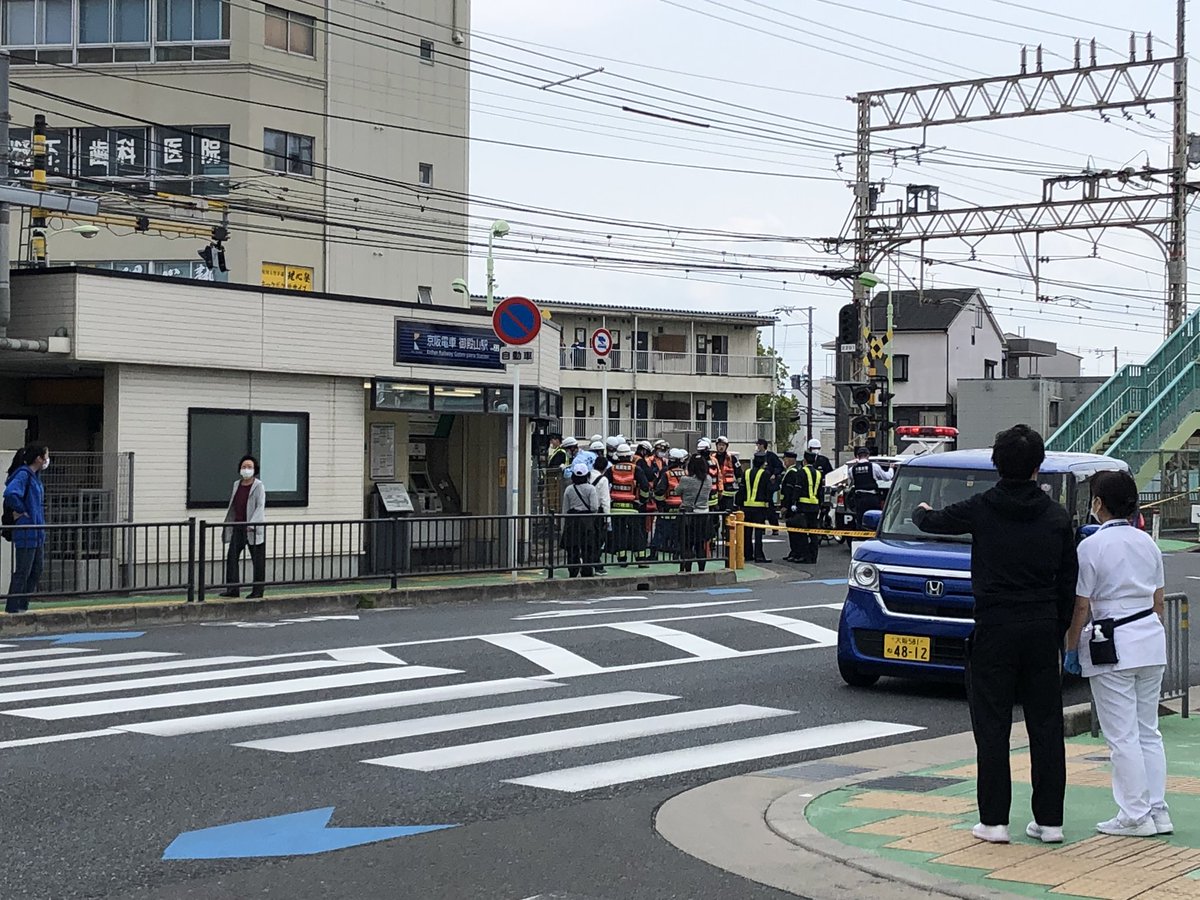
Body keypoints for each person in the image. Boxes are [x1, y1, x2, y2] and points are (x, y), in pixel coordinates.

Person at [913, 424, 1076, 846]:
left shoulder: (983, 507)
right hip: (1041, 628)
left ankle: (994, 822)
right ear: (1039, 466)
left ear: (996, 464)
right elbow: (1068, 585)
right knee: (1045, 726)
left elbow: (934, 521)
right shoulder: (1058, 517)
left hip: (994, 626)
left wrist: (919, 511)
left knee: (992, 725)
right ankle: (1050, 821)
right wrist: (1055, 631)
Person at [1065, 470, 1171, 838]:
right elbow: (1158, 601)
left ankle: (1134, 815)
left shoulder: (1091, 547)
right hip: (1151, 641)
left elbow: (1082, 606)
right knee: (1148, 732)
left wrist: (1070, 644)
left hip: (1111, 643)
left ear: (1098, 503)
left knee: (1121, 736)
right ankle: (1158, 810)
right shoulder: (1148, 543)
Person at [3, 444, 49, 613]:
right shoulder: (24, 475)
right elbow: (10, 494)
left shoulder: (34, 476)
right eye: (45, 455)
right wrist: (22, 510)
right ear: (39, 458)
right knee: (23, 570)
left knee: (36, 570)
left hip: (36, 531)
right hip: (27, 530)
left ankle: (21, 605)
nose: (47, 459)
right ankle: (14, 607)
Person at [221, 455, 267, 599]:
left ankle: (258, 590)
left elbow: (260, 506)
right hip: (238, 526)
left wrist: (253, 523)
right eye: (244, 467)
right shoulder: (237, 484)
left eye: (249, 467)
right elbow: (234, 505)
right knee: (232, 557)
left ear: (255, 469)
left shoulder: (258, 486)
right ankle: (233, 589)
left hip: (252, 528)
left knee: (257, 560)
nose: (246, 469)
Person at [606, 443, 650, 566]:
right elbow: (645, 486)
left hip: (615, 507)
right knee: (636, 533)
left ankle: (622, 559)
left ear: (618, 457)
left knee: (619, 534)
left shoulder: (612, 469)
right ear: (630, 456)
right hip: (632, 507)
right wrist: (642, 500)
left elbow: (604, 484)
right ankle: (640, 559)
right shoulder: (636, 469)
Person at [673, 453, 713, 572]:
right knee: (700, 545)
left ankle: (687, 570)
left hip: (688, 516)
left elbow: (677, 491)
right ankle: (701, 570)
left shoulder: (685, 480)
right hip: (704, 516)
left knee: (687, 544)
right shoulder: (709, 479)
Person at [560, 461, 600, 577]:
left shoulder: (569, 489)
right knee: (587, 548)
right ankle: (587, 571)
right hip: (587, 522)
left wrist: (563, 527)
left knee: (572, 549)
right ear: (587, 475)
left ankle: (573, 571)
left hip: (572, 521)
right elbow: (594, 507)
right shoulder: (591, 489)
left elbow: (565, 509)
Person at [737, 451, 773, 563]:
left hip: (746, 507)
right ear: (763, 462)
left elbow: (741, 490)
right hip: (759, 508)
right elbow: (768, 491)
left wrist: (739, 504)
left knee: (747, 532)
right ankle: (759, 555)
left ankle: (747, 554)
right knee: (758, 532)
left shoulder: (746, 472)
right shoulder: (766, 474)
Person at [847, 445, 892, 530]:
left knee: (860, 520)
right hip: (872, 498)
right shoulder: (874, 467)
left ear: (857, 456)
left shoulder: (852, 469)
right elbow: (887, 478)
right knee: (875, 519)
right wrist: (891, 469)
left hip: (859, 499)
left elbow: (851, 482)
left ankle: (860, 537)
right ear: (868, 456)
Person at [587, 454, 612, 576]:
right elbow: (605, 500)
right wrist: (608, 518)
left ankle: (585, 564)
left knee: (587, 539)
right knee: (598, 539)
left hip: (585, 512)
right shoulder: (603, 480)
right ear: (605, 468)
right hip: (598, 513)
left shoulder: (587, 476)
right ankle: (597, 564)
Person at [713, 436, 742, 513]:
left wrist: (740, 486)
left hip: (728, 491)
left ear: (726, 446)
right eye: (719, 445)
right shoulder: (712, 458)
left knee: (728, 514)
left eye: (723, 445)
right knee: (715, 513)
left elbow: (739, 473)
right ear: (716, 446)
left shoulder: (732, 459)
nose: (721, 447)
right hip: (715, 490)